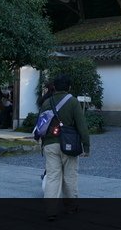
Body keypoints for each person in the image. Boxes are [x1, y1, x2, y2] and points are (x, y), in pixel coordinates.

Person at [39, 74, 90, 220]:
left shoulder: (46, 102)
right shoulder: (73, 102)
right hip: (69, 145)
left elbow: (41, 125)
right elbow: (82, 126)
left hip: (49, 144)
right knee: (70, 176)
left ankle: (50, 211)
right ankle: (71, 207)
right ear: (69, 87)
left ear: (54, 87)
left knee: (53, 177)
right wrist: (86, 146)